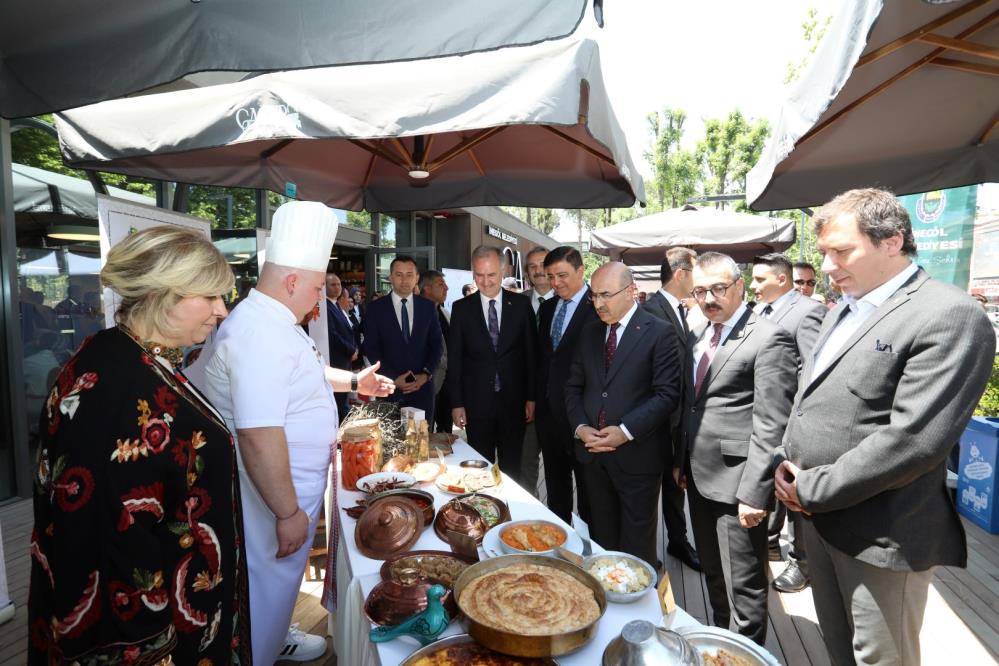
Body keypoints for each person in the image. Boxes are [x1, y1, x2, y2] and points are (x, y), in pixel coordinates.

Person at [774, 188, 995, 666]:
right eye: (825, 253)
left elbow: (915, 439)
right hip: (819, 519)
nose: (828, 266)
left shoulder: (949, 314)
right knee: (838, 648)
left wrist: (809, 487)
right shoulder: (844, 309)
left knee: (879, 658)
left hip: (881, 533)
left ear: (892, 242)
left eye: (841, 251)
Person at [28, 226, 252, 664]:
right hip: (155, 636)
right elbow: (107, 545)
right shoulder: (117, 391)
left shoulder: (128, 355)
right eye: (208, 297)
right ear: (160, 295)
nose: (221, 311)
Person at [203, 201, 394, 665]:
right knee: (263, 584)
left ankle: (273, 637)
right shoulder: (259, 334)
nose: (320, 298)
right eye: (315, 287)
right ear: (291, 282)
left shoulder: (273, 321)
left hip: (290, 487)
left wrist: (354, 382)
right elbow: (257, 433)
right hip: (274, 495)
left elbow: (305, 372)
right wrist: (288, 512)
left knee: (278, 584)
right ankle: (258, 653)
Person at [680, 251, 798, 645]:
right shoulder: (699, 333)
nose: (709, 298)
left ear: (740, 286)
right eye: (700, 290)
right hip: (699, 478)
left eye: (718, 288)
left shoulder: (769, 338)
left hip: (739, 486)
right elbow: (692, 404)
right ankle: (718, 645)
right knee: (714, 575)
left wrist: (755, 492)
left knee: (744, 588)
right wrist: (682, 463)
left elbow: (772, 424)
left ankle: (744, 654)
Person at [566, 262, 680, 565]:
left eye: (606, 295)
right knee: (602, 541)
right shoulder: (590, 332)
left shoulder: (660, 333)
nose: (598, 303)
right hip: (593, 458)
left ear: (632, 292)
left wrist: (625, 431)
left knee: (636, 550)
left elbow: (667, 394)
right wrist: (579, 426)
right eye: (593, 296)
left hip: (637, 460)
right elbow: (573, 387)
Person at [749, 253, 827, 593]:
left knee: (795, 496)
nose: (753, 285)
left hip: (793, 424)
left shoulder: (808, 312)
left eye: (759, 279)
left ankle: (802, 563)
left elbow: (811, 374)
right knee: (772, 487)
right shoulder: (762, 311)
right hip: (766, 419)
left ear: (781, 279)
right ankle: (770, 543)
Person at [449, 246, 537, 482]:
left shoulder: (520, 305)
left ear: (503, 271)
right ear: (472, 273)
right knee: (479, 468)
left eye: (491, 275)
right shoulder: (460, 309)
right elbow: (455, 360)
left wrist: (531, 397)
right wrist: (456, 403)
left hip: (514, 402)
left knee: (512, 469)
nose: (485, 282)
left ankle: (511, 511)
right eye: (479, 275)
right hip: (477, 405)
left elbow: (530, 355)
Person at [642, 246, 701, 571]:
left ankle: (678, 541)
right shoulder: (652, 310)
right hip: (655, 423)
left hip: (676, 421)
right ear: (680, 274)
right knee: (651, 492)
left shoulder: (679, 309)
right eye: (695, 272)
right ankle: (645, 554)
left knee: (674, 486)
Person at [536, 246, 599, 524]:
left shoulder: (598, 308)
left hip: (584, 419)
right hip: (549, 417)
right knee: (556, 486)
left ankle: (590, 550)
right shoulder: (547, 308)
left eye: (562, 275)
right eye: (550, 276)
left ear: (581, 271)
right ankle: (558, 543)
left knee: (589, 493)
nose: (555, 282)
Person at [363, 255, 445, 416]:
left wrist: (426, 375)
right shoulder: (375, 309)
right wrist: (392, 378)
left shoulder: (428, 308)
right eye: (399, 274)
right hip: (389, 390)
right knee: (389, 440)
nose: (404, 280)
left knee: (422, 438)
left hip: (422, 389)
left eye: (409, 274)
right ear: (390, 277)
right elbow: (371, 348)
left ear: (417, 278)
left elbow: (436, 345)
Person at [521, 246, 555, 495]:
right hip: (526, 400)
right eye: (532, 266)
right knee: (526, 465)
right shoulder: (518, 303)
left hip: (558, 402)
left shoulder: (569, 302)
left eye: (543, 264)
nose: (538, 270)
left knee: (557, 470)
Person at [419, 270, 452, 433]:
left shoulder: (444, 313)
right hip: (427, 380)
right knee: (425, 428)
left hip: (447, 382)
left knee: (446, 429)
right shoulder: (416, 313)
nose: (446, 288)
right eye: (441, 284)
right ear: (427, 288)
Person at [326, 271, 358, 420]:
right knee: (340, 403)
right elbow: (333, 335)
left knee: (343, 401)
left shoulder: (335, 305)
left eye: (339, 284)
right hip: (337, 361)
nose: (337, 287)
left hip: (344, 360)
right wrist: (351, 350)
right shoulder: (325, 306)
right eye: (333, 284)